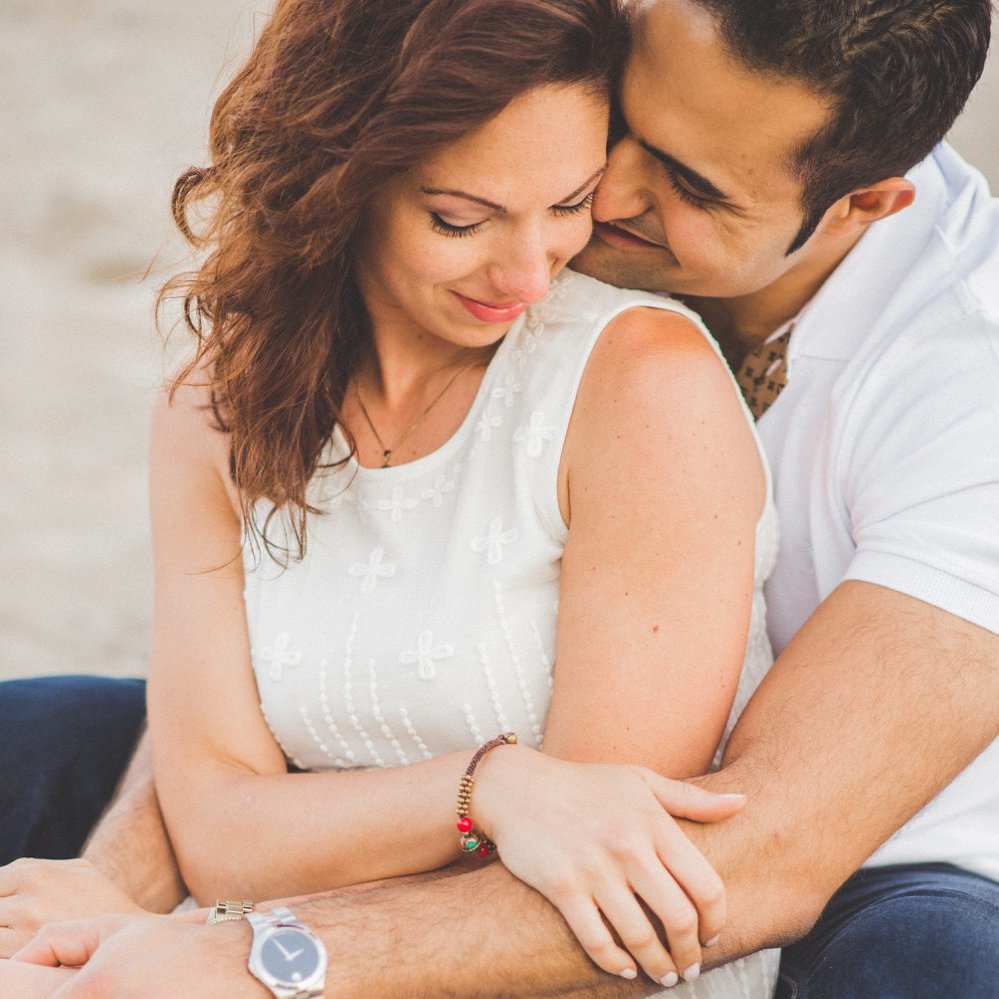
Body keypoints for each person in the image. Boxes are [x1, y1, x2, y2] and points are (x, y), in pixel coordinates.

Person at [2, 0, 998, 996]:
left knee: (927, 966)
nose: (606, 199)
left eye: (687, 182)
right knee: (30, 747)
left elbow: (732, 863)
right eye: (622, 125)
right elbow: (221, 771)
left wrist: (257, 950)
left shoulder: (966, 383)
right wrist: (119, 877)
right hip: (444, 780)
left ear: (864, 205)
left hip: (836, 859)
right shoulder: (554, 182)